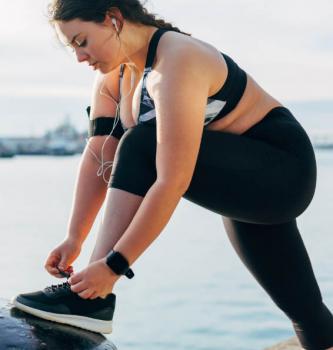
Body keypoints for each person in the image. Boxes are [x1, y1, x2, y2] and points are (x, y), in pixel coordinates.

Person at [11, 0, 333, 348]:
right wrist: (74, 237)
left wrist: (113, 267)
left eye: (82, 41)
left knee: (138, 143)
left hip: (282, 170)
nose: (79, 57)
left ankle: (90, 301)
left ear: (113, 19)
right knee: (305, 311)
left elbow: (171, 181)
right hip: (239, 180)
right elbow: (98, 157)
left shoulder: (176, 61)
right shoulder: (113, 77)